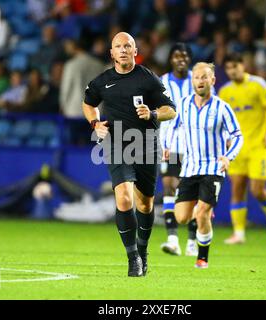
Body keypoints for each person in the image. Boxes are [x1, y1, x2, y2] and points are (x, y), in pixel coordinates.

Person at [82, 32, 176, 277]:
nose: (123, 50)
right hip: (117, 143)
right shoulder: (102, 81)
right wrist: (95, 124)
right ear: (111, 52)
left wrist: (154, 114)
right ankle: (133, 257)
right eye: (118, 46)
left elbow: (171, 110)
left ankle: (143, 252)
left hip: (146, 144)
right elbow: (88, 102)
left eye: (128, 46)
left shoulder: (148, 79)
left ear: (135, 51)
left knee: (145, 204)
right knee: (124, 198)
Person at [168, 62, 243, 269]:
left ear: (212, 80)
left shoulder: (222, 108)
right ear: (192, 81)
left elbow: (237, 135)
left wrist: (229, 156)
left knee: (200, 214)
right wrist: (167, 146)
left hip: (213, 168)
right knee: (182, 217)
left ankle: (202, 258)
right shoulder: (183, 104)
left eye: (204, 77)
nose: (200, 81)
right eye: (196, 78)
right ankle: (204, 208)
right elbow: (173, 127)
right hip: (189, 168)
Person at [218, 53, 266, 245]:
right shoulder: (224, 91)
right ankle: (239, 233)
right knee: (237, 188)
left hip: (258, 145)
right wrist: (226, 140)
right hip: (237, 147)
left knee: (257, 190)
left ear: (243, 65)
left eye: (235, 66)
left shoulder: (258, 84)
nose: (232, 70)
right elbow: (222, 120)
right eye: (228, 68)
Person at [159, 43, 198, 257]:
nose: (180, 59)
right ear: (171, 59)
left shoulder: (199, 79)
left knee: (193, 192)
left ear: (189, 59)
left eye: (184, 55)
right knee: (168, 187)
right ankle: (173, 239)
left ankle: (192, 241)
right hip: (169, 144)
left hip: (195, 145)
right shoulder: (161, 82)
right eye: (176, 55)